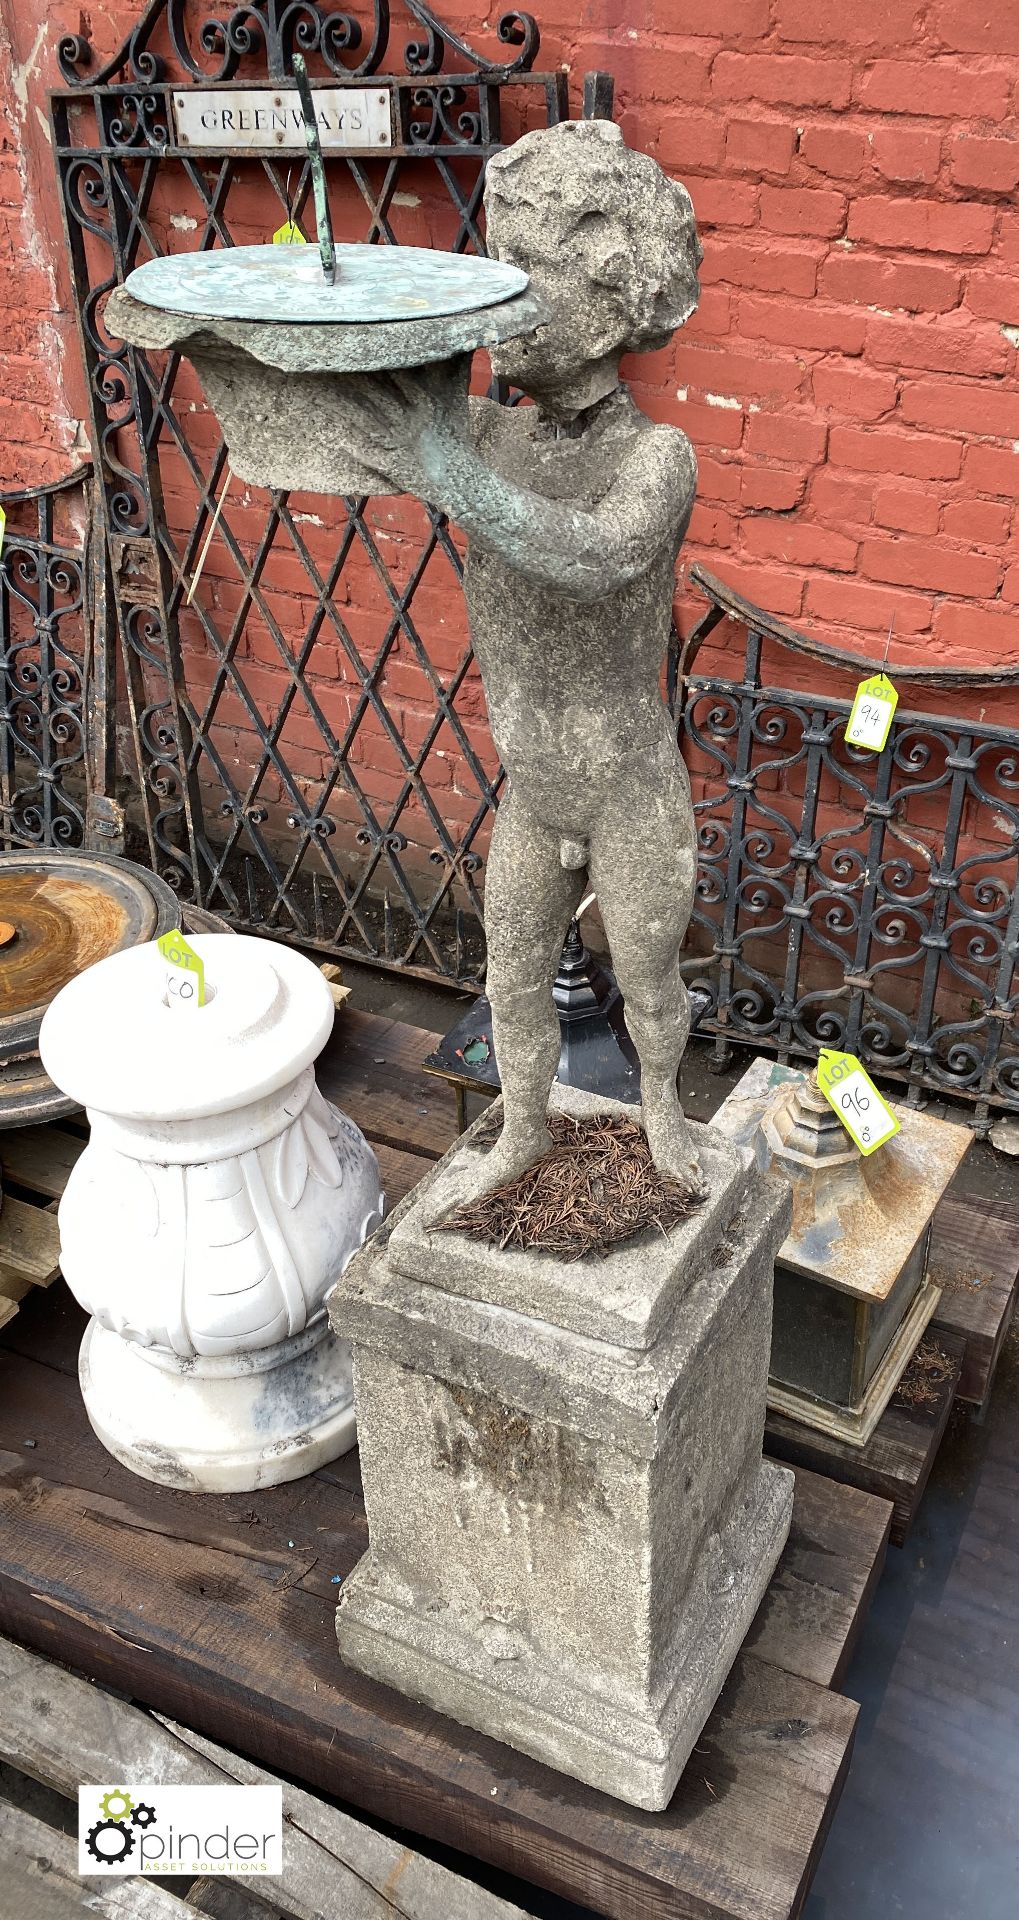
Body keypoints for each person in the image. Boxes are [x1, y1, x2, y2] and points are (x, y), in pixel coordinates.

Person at [339, 117, 707, 1214]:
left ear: (611, 296)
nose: (507, 301)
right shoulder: (482, 436)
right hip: (531, 790)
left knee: (645, 980)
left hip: (627, 788)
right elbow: (364, 417)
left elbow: (589, 559)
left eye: (531, 274)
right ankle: (526, 1128)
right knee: (507, 971)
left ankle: (662, 1112)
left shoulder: (654, 457)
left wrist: (448, 467)